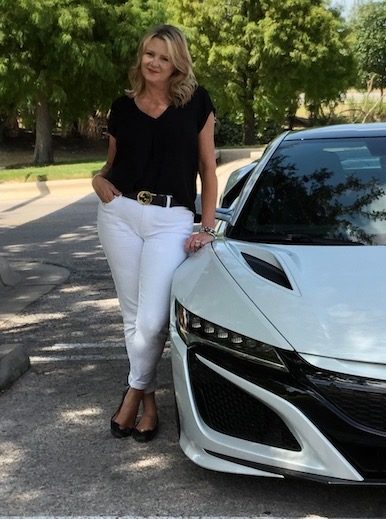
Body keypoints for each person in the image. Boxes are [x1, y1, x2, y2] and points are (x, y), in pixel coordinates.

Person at [91, 24, 217, 442]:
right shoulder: (121, 107)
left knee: (151, 321)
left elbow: (207, 169)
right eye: (149, 54)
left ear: (177, 62)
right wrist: (97, 180)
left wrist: (207, 226)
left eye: (164, 57)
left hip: (171, 219)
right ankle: (148, 404)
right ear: (140, 57)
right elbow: (112, 164)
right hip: (120, 214)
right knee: (132, 318)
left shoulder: (197, 103)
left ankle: (132, 393)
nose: (154, 63)